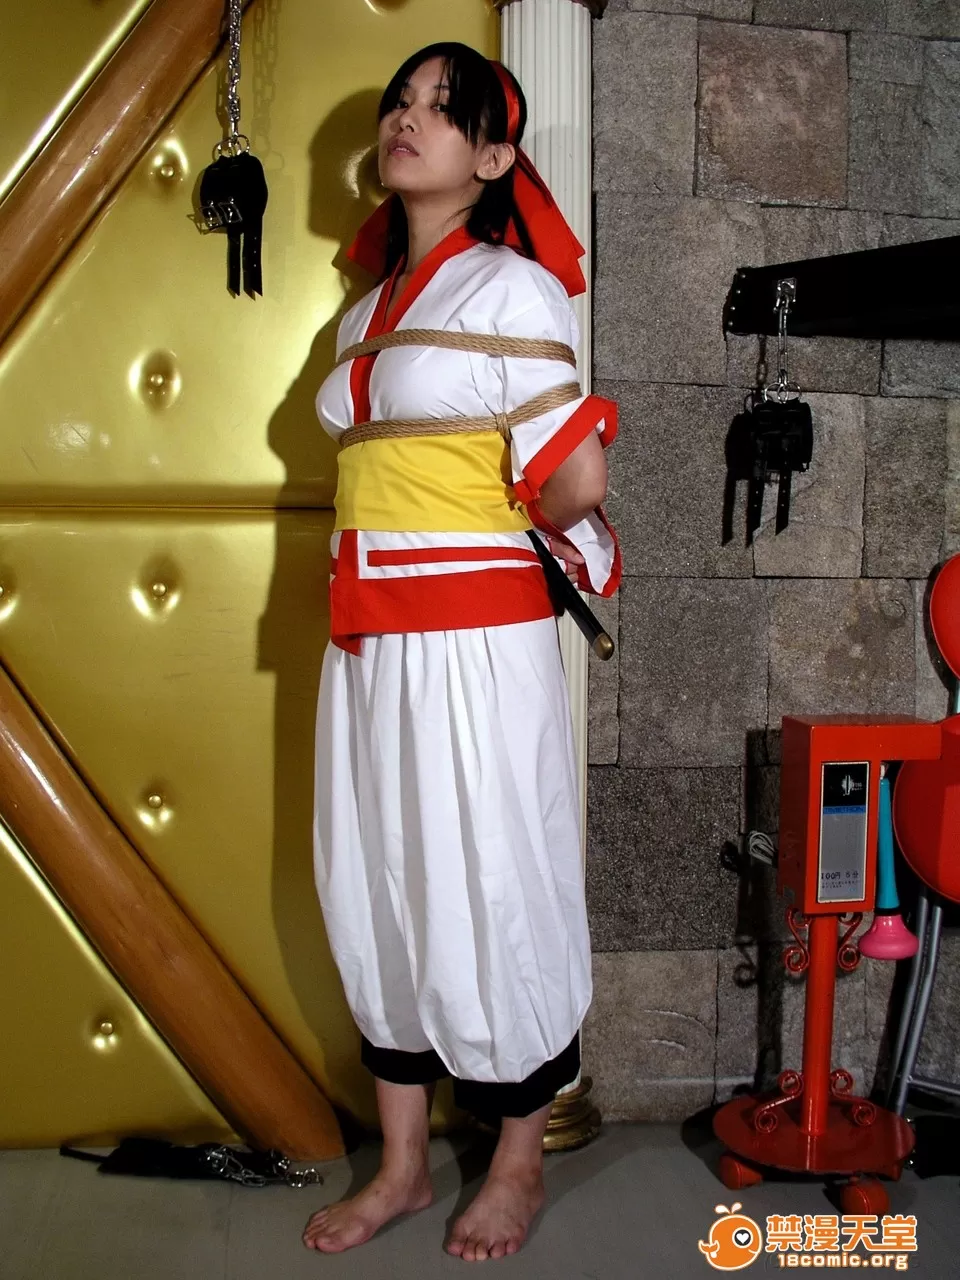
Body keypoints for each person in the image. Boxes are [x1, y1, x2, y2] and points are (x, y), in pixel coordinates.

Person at [303, 42, 620, 1262]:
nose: (408, 117)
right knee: (376, 873)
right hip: (366, 641)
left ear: (493, 158)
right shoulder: (361, 311)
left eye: (444, 108)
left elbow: (571, 482)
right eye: (401, 100)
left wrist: (511, 511)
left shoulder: (515, 289)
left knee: (493, 875)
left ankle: (518, 1159)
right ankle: (399, 1167)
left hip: (477, 647)